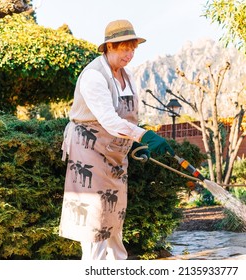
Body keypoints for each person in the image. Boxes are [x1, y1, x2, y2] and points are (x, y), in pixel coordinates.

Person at [59, 19, 174, 260]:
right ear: (109, 47)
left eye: (133, 48)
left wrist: (136, 142)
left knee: (114, 212)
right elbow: (109, 121)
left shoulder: (127, 75)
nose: (130, 54)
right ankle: (94, 267)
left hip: (115, 152)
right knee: (95, 216)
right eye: (124, 48)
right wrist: (144, 135)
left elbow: (130, 117)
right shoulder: (93, 76)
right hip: (88, 149)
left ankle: (117, 266)